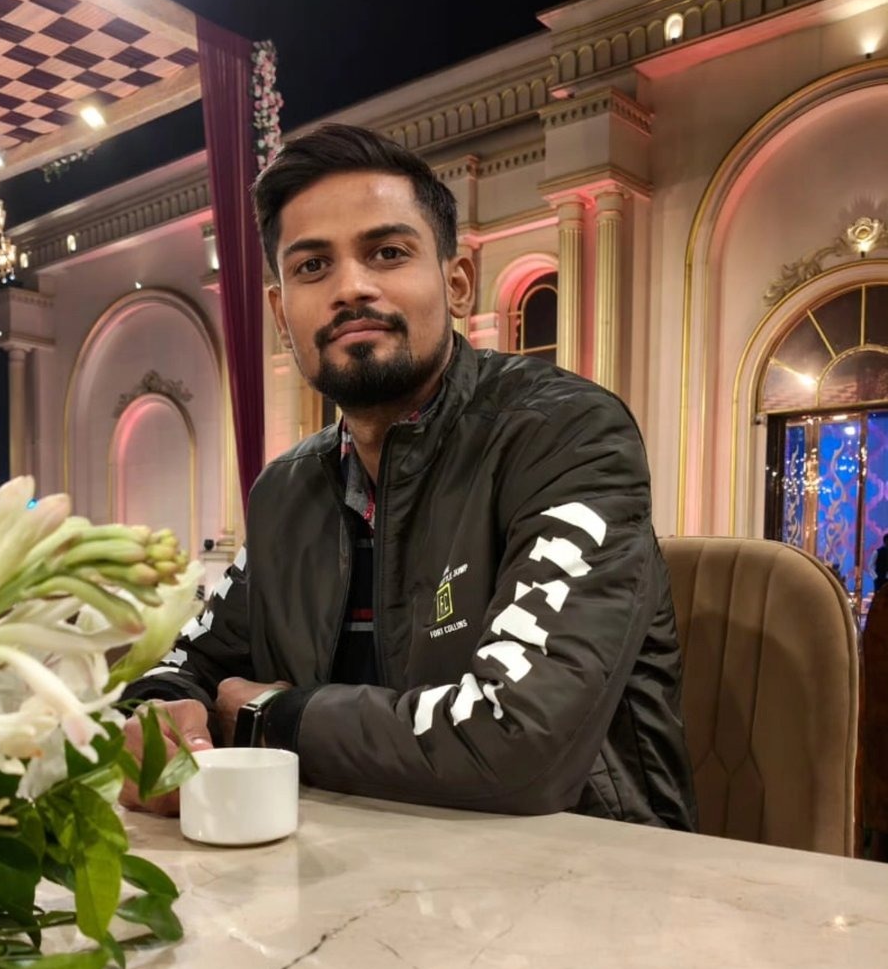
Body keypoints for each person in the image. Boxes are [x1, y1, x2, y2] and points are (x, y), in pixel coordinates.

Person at [121, 124, 697, 830]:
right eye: (312, 267)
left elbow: (518, 744)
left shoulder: (566, 435)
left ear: (457, 284)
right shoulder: (285, 492)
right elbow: (185, 667)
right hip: (349, 865)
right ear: (281, 315)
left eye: (388, 253)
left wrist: (270, 715)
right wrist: (156, 715)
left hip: (583, 869)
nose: (351, 288)